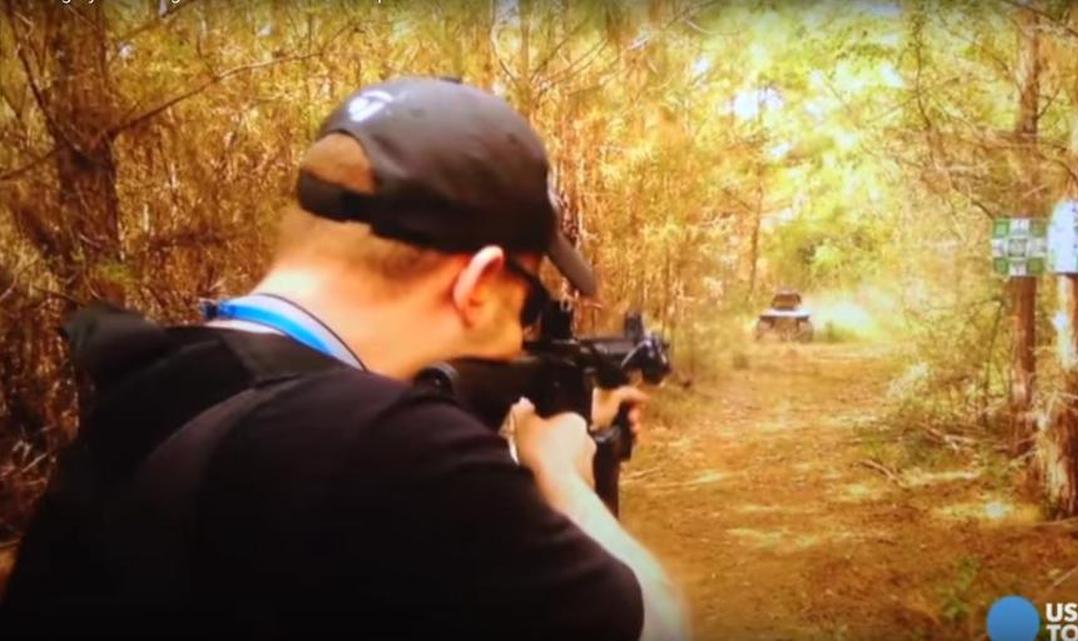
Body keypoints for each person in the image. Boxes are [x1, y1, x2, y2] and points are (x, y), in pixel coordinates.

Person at [0, 77, 689, 639]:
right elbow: (660, 627)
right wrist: (562, 473)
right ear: (477, 283)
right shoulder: (390, 449)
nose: (521, 341)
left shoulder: (156, 376)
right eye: (528, 306)